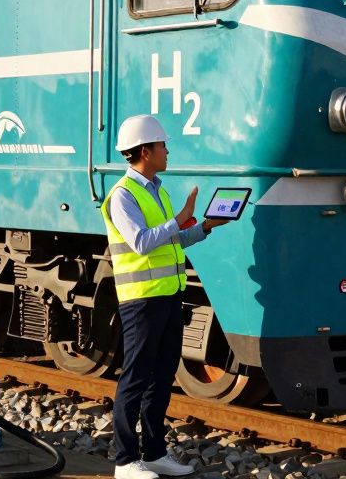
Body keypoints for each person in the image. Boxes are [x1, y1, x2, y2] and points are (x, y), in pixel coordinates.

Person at [104, 115, 229, 479]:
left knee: (161, 376)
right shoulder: (123, 195)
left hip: (169, 295)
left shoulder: (158, 190)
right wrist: (179, 218)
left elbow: (171, 240)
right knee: (135, 378)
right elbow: (141, 242)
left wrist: (205, 226)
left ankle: (155, 452)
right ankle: (125, 461)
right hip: (141, 301)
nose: (167, 151)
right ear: (145, 151)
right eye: (162, 145)